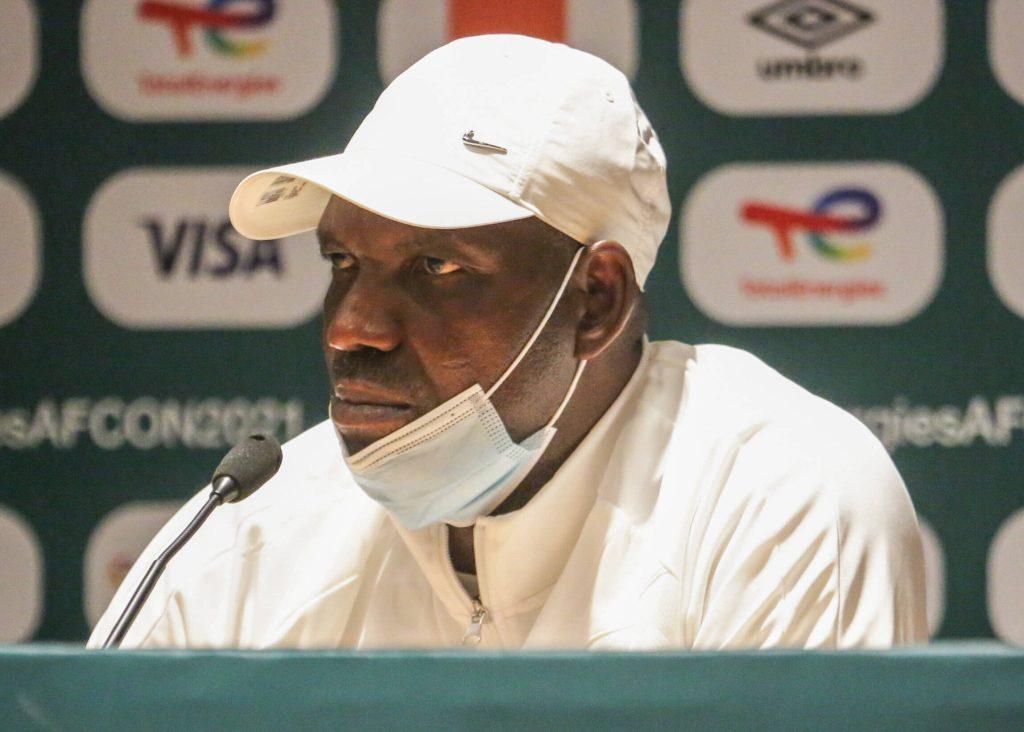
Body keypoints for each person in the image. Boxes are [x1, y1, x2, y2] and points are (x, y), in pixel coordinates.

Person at [89, 34, 926, 650]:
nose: (352, 329)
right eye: (342, 261)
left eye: (437, 266)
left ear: (595, 300)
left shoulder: (778, 497)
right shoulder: (252, 531)